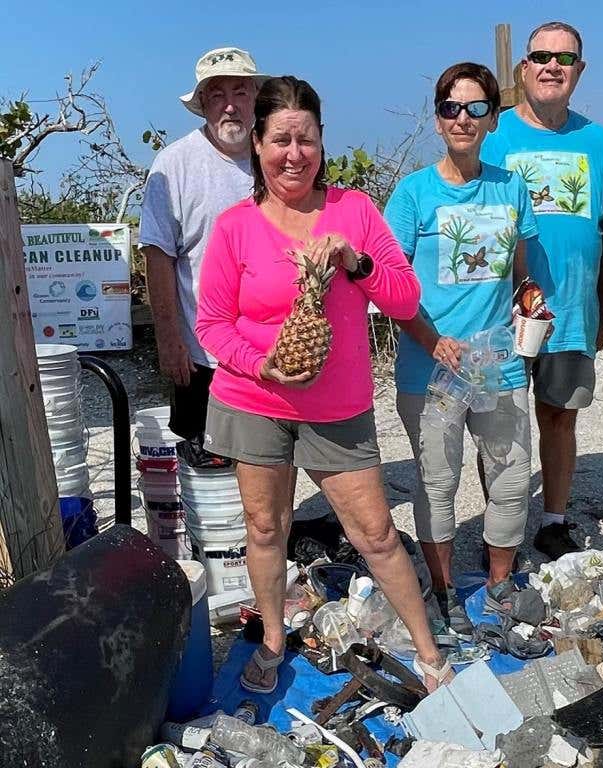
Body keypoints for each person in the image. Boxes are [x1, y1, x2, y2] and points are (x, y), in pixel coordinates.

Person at [195, 76, 451, 693]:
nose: (293, 153)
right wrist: (264, 367)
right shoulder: (234, 227)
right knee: (264, 529)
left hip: (336, 407)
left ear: (321, 142)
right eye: (280, 139)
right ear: (256, 145)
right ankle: (275, 641)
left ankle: (429, 653)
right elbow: (212, 324)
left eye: (305, 139)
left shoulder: (354, 211)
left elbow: (405, 297)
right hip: (252, 401)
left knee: (377, 534)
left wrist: (355, 264)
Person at [384, 62, 539, 633]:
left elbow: (522, 270)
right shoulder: (412, 194)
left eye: (476, 108)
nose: (463, 118)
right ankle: (444, 591)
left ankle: (499, 584)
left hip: (496, 361)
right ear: (437, 118)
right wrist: (433, 339)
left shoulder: (511, 186)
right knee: (437, 481)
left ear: (493, 118)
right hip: (430, 366)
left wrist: (529, 298)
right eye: (451, 107)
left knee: (511, 474)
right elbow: (390, 288)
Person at [480, 20, 603, 560]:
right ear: (524, 68)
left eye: (564, 60)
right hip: (503, 312)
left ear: (579, 71)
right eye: (541, 57)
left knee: (559, 416)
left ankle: (555, 518)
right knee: (500, 421)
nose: (552, 67)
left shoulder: (598, 142)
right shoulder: (494, 135)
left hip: (572, 309)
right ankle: (501, 521)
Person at [140, 47, 267, 466]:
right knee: (210, 467)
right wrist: (168, 338)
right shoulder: (174, 164)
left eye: (240, 92)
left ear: (255, 97)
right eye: (216, 95)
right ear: (203, 106)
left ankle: (270, 532)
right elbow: (157, 254)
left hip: (270, 346)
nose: (230, 105)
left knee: (272, 461)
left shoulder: (278, 157)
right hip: (202, 351)